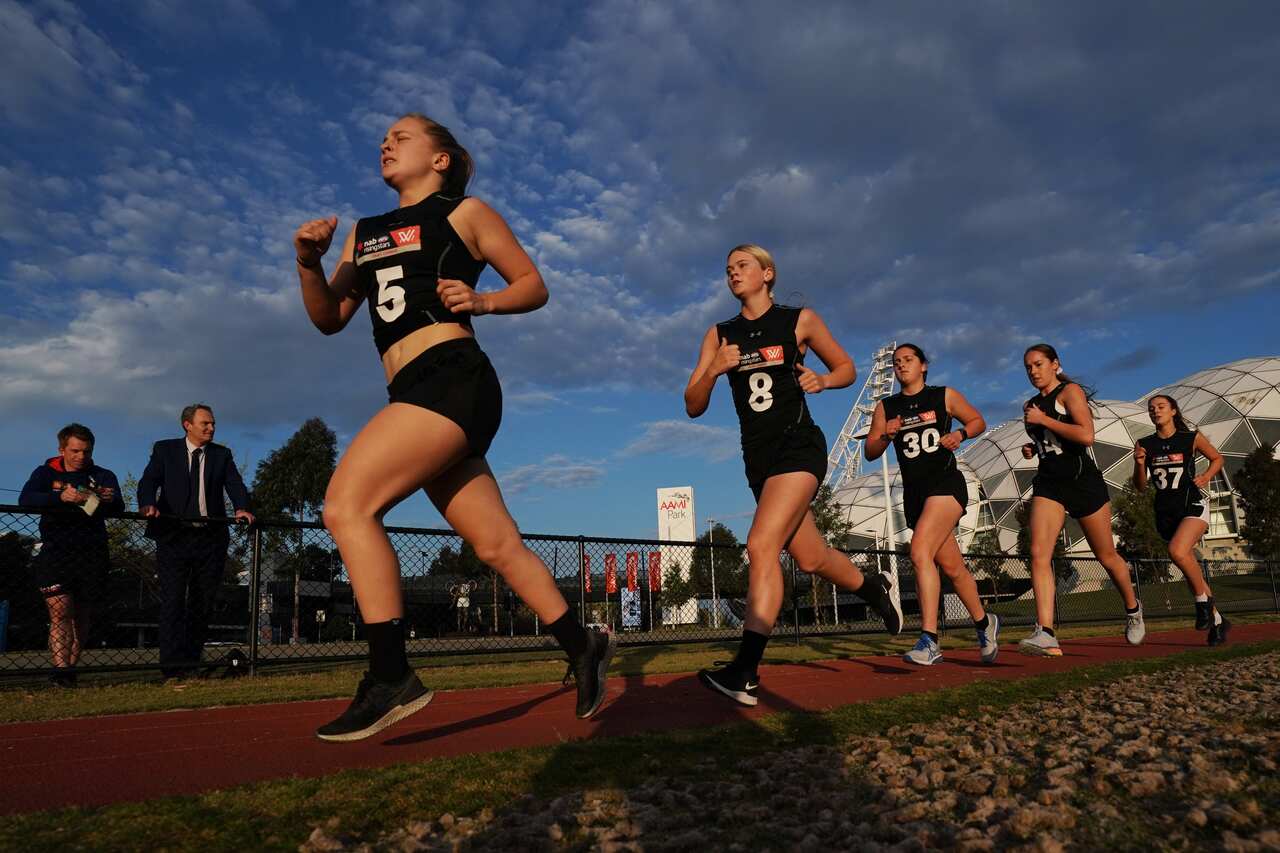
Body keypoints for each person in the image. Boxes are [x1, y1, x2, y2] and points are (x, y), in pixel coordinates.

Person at [293, 112, 613, 741]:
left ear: (440, 159)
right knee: (496, 546)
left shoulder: (465, 213)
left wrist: (485, 300)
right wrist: (307, 262)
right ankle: (583, 645)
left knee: (346, 505)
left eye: (402, 136)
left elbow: (533, 285)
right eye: (383, 137)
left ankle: (389, 674)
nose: (386, 142)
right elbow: (329, 318)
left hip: (453, 376)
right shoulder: (363, 233)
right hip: (410, 387)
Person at [684, 244, 903, 707]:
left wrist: (822, 381)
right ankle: (872, 586)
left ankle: (745, 670)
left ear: (767, 273)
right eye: (728, 269)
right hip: (757, 460)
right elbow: (693, 404)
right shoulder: (719, 335)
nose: (732, 273)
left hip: (799, 447)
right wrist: (714, 371)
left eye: (742, 266)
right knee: (811, 557)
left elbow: (845, 367)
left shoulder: (799, 320)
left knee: (761, 545)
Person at [864, 344, 1000, 666]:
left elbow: (978, 420)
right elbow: (870, 451)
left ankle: (929, 639)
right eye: (897, 363)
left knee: (920, 551)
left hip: (945, 485)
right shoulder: (887, 407)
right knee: (953, 568)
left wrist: (961, 434)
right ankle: (985, 623)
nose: (901, 366)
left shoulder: (943, 396)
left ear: (923, 366)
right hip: (914, 494)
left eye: (908, 360)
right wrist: (886, 435)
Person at [1017, 344, 1145, 656]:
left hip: (1082, 482)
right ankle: (1045, 631)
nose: (1033, 371)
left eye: (1038, 364)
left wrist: (1045, 422)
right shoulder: (1030, 405)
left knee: (1107, 556)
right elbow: (1052, 440)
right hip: (1049, 483)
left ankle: (1132, 608)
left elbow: (1086, 435)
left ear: (1055, 364)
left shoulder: (1069, 392)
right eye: (1028, 367)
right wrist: (1034, 447)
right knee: (1038, 553)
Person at [138, 404, 254, 678]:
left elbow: (235, 485)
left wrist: (242, 507)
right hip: (174, 537)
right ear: (187, 425)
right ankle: (170, 668)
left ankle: (191, 663)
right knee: (173, 601)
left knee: (202, 604)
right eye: (205, 423)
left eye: (213, 423)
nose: (212, 428)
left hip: (210, 539)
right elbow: (148, 480)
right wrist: (147, 504)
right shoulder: (165, 450)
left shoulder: (221, 455)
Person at [18, 424, 124, 686]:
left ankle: (69, 673)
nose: (80, 457)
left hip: (93, 553)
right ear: (62, 449)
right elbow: (26, 499)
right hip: (56, 552)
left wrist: (99, 499)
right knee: (60, 611)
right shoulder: (45, 472)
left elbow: (117, 505)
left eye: (86, 452)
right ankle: (60, 669)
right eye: (75, 451)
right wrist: (60, 498)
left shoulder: (103, 475)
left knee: (82, 615)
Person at [1134, 394, 1229, 645]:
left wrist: (1207, 476)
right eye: (1151, 408)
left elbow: (1218, 458)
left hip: (1192, 504)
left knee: (1177, 551)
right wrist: (1139, 463)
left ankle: (1201, 604)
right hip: (1165, 511)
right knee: (1188, 567)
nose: (1156, 411)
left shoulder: (1191, 438)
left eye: (1161, 407)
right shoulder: (1144, 443)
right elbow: (1141, 487)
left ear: (1174, 410)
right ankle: (1218, 620)